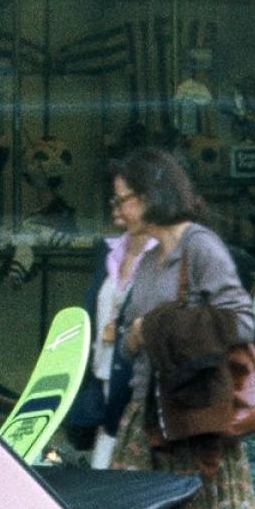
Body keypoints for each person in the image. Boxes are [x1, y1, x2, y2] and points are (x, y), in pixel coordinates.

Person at [109, 147, 255, 509]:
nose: (117, 210)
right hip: (147, 415)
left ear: (149, 197)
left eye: (122, 199)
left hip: (192, 415)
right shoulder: (148, 261)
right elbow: (134, 336)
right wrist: (134, 337)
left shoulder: (200, 246)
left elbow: (241, 321)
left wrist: (157, 327)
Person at [82, 190, 157, 469]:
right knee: (103, 460)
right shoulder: (108, 251)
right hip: (102, 373)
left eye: (123, 199)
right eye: (112, 198)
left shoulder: (163, 255)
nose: (114, 206)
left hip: (139, 383)